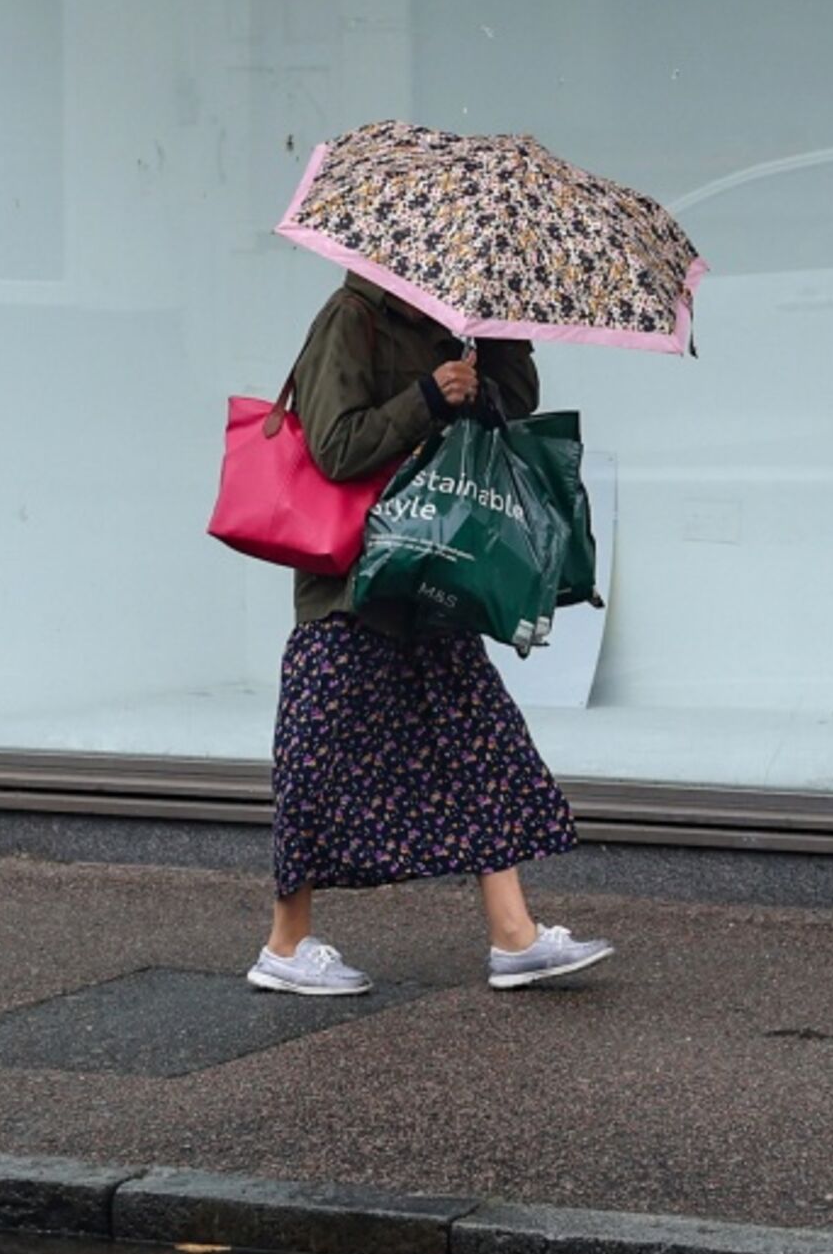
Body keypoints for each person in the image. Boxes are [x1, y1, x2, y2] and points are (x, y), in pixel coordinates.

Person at [249, 273, 616, 998]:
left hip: (427, 575)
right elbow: (335, 446)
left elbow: (511, 411)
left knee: (479, 739)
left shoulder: (445, 328)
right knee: (318, 767)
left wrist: (502, 341)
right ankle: (284, 943)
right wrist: (426, 396)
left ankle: (514, 935)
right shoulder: (351, 319)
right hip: (353, 588)